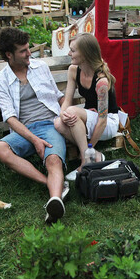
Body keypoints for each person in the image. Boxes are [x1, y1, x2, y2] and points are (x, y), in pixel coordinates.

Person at [0, 27, 69, 223]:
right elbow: (10, 118)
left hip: (51, 124)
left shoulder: (40, 67)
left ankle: (54, 200)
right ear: (9, 55)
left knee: (53, 160)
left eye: (29, 48)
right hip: (24, 130)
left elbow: (58, 96)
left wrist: (69, 114)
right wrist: (34, 140)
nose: (29, 54)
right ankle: (55, 186)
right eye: (23, 51)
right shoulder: (0, 81)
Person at [54, 33, 126, 181]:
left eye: (73, 50)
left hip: (108, 123)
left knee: (72, 112)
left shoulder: (101, 81)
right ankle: (96, 156)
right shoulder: (74, 70)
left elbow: (103, 121)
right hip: (91, 116)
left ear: (85, 54)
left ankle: (86, 161)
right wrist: (62, 114)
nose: (69, 53)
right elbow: (67, 100)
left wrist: (90, 147)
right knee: (58, 123)